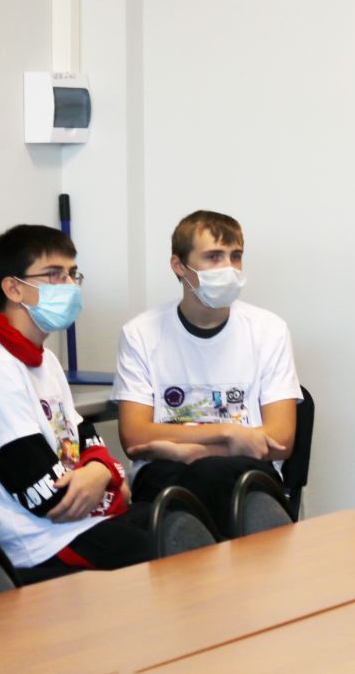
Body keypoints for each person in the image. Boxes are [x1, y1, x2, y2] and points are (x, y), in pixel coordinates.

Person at [0, 224, 150, 578]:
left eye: (72, 274)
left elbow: (87, 440)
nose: (69, 285)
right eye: (54, 274)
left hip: (83, 526)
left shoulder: (44, 359)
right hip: (41, 545)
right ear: (13, 288)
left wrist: (102, 473)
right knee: (171, 549)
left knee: (180, 518)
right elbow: (50, 498)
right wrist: (111, 478)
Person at [112, 210, 301, 531]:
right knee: (190, 489)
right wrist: (230, 434)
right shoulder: (140, 334)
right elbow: (134, 436)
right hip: (165, 474)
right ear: (179, 266)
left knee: (211, 477)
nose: (229, 267)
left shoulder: (269, 330)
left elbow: (281, 440)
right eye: (214, 257)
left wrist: (184, 450)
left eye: (235, 256)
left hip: (246, 473)